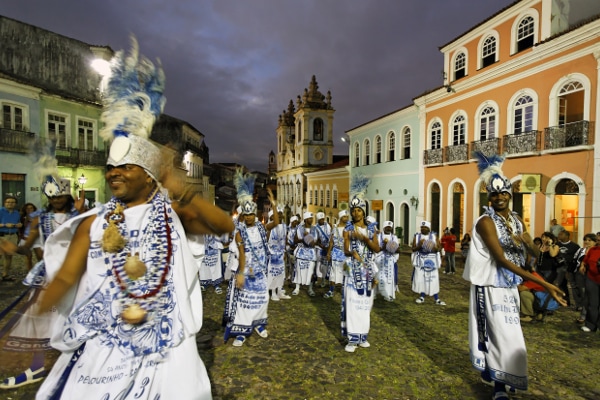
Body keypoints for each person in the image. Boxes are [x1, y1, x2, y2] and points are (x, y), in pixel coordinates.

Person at [34, 40, 234, 399]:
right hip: (102, 351)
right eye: (110, 168)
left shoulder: (174, 215)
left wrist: (181, 188)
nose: (114, 174)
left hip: (166, 350)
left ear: (148, 174)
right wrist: (34, 320)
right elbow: (66, 276)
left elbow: (224, 226)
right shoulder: (92, 223)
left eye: (126, 167)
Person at [464, 152, 566, 400]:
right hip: (488, 284)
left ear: (510, 194)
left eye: (504, 193)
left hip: (509, 285)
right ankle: (499, 385)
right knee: (497, 332)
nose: (499, 197)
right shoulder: (485, 222)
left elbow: (532, 252)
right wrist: (545, 284)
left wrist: (530, 244)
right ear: (489, 196)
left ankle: (492, 373)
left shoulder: (517, 221)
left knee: (509, 331)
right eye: (494, 193)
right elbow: (500, 259)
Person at [0, 177, 84, 390]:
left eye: (60, 195)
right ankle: (37, 367)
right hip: (48, 275)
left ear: (67, 195)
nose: (56, 199)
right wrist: (13, 249)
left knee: (77, 320)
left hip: (77, 276)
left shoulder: (83, 216)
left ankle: (79, 368)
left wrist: (81, 212)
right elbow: (27, 247)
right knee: (40, 321)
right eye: (52, 195)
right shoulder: (39, 219)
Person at [222, 170, 277, 347]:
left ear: (255, 214)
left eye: (252, 214)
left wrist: (273, 203)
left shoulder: (261, 228)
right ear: (243, 217)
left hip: (260, 272)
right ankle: (242, 331)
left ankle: (259, 324)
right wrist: (240, 273)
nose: (249, 217)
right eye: (246, 215)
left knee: (262, 299)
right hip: (247, 271)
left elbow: (275, 222)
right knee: (244, 301)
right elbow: (243, 254)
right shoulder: (240, 233)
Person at [341, 174, 380, 352]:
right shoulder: (348, 228)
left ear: (364, 211)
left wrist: (363, 238)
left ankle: (363, 336)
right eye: (354, 210)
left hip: (368, 270)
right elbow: (345, 249)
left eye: (359, 210)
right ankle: (352, 338)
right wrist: (352, 253)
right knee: (352, 302)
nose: (356, 213)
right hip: (352, 269)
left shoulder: (371, 229)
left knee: (365, 304)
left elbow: (377, 248)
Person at [411, 221, 446, 305]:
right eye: (421, 227)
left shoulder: (434, 236)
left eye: (425, 227)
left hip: (431, 260)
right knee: (421, 279)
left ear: (429, 228)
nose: (423, 229)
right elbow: (413, 249)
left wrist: (434, 247)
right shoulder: (417, 236)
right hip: (421, 260)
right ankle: (422, 296)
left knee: (432, 279)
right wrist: (419, 245)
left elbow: (439, 247)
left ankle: (436, 299)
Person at [266, 207, 291, 301]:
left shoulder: (284, 226)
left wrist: (284, 251)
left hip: (281, 253)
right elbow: (267, 241)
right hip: (272, 254)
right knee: (273, 274)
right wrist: (270, 253)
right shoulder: (270, 227)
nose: (280, 215)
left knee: (281, 274)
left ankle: (280, 291)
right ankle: (273, 293)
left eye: (280, 213)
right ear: (272, 217)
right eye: (277, 214)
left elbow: (284, 240)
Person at [324, 210, 349, 299]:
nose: (346, 218)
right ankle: (331, 290)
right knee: (333, 273)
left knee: (345, 272)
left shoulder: (350, 228)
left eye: (347, 216)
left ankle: (344, 290)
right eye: (344, 217)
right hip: (336, 253)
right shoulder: (335, 228)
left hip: (346, 254)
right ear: (341, 218)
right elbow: (331, 242)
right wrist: (328, 253)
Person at [292, 212, 318, 297]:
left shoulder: (315, 229)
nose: (311, 220)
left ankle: (310, 289)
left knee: (310, 272)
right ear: (306, 219)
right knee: (299, 270)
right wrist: (302, 239)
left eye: (312, 218)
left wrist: (308, 237)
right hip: (301, 252)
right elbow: (295, 240)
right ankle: (297, 288)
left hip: (311, 253)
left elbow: (314, 243)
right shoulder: (299, 229)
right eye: (310, 218)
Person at [572, 233, 596, 324]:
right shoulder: (581, 250)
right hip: (580, 275)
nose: (587, 242)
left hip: (592, 276)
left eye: (590, 240)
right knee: (584, 295)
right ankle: (584, 315)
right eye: (586, 240)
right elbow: (576, 261)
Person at [579, 235, 600, 333]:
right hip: (592, 279)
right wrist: (582, 266)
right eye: (598, 240)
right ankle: (591, 325)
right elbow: (585, 261)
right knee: (592, 303)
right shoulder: (593, 250)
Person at [375, 221, 400, 301]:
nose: (388, 228)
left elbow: (397, 249)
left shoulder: (394, 237)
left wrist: (389, 246)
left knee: (389, 277)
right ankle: (375, 294)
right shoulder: (378, 236)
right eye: (387, 227)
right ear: (384, 227)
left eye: (390, 227)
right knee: (378, 276)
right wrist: (386, 246)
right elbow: (377, 248)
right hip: (380, 259)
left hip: (390, 259)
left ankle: (388, 295)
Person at [0, 195, 22, 281]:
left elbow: (18, 222)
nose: (10, 204)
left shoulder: (17, 213)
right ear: (4, 203)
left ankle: (5, 275)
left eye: (12, 202)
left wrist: (19, 225)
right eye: (8, 202)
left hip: (12, 236)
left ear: (15, 204)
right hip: (1, 236)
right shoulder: (0, 211)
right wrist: (5, 225)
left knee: (9, 256)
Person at [18, 202, 43, 271]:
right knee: (28, 256)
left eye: (31, 208)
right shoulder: (22, 217)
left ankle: (41, 271)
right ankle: (29, 271)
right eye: (27, 208)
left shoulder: (38, 216)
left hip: (37, 239)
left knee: (40, 256)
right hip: (25, 238)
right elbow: (20, 227)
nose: (29, 209)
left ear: (34, 209)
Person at [314, 212, 332, 288]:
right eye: (320, 219)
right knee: (318, 264)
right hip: (319, 249)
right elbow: (316, 240)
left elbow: (330, 236)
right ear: (318, 220)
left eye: (323, 219)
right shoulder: (315, 227)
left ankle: (324, 280)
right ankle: (317, 278)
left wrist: (329, 247)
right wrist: (323, 247)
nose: (322, 220)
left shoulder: (327, 225)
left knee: (324, 265)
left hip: (327, 248)